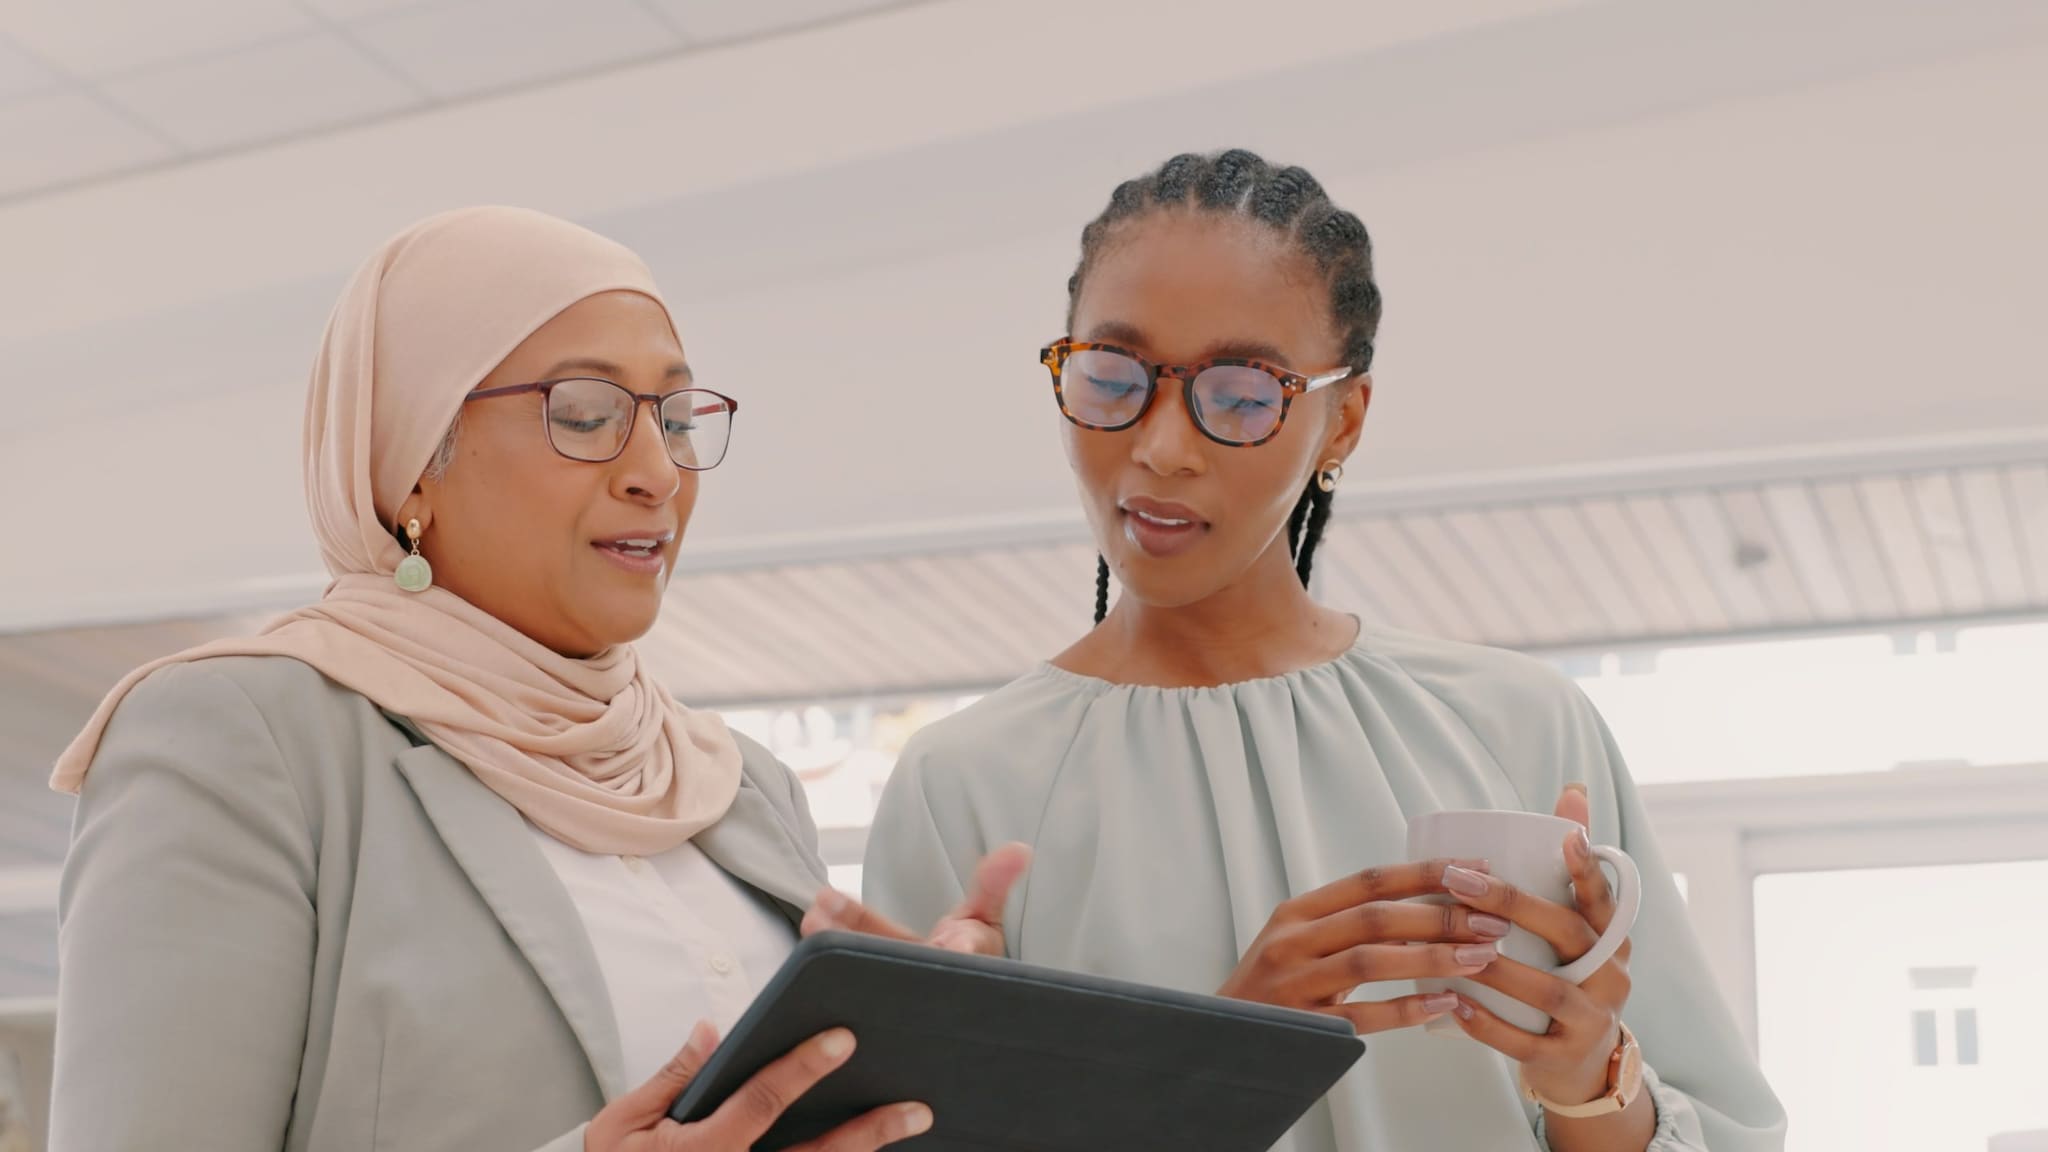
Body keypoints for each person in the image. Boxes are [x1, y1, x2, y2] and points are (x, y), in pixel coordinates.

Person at [840, 151, 1788, 1151]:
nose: (1160, 445)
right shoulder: (964, 788)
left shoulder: (1516, 724)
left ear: (1342, 420)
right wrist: (1228, 1057)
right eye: (1112, 378)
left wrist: (1589, 1083)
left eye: (1240, 396)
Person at [47, 207, 1018, 1152]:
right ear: (412, 463)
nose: (658, 472)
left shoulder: (738, 784)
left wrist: (938, 1054)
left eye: (675, 418)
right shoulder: (241, 737)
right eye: (586, 415)